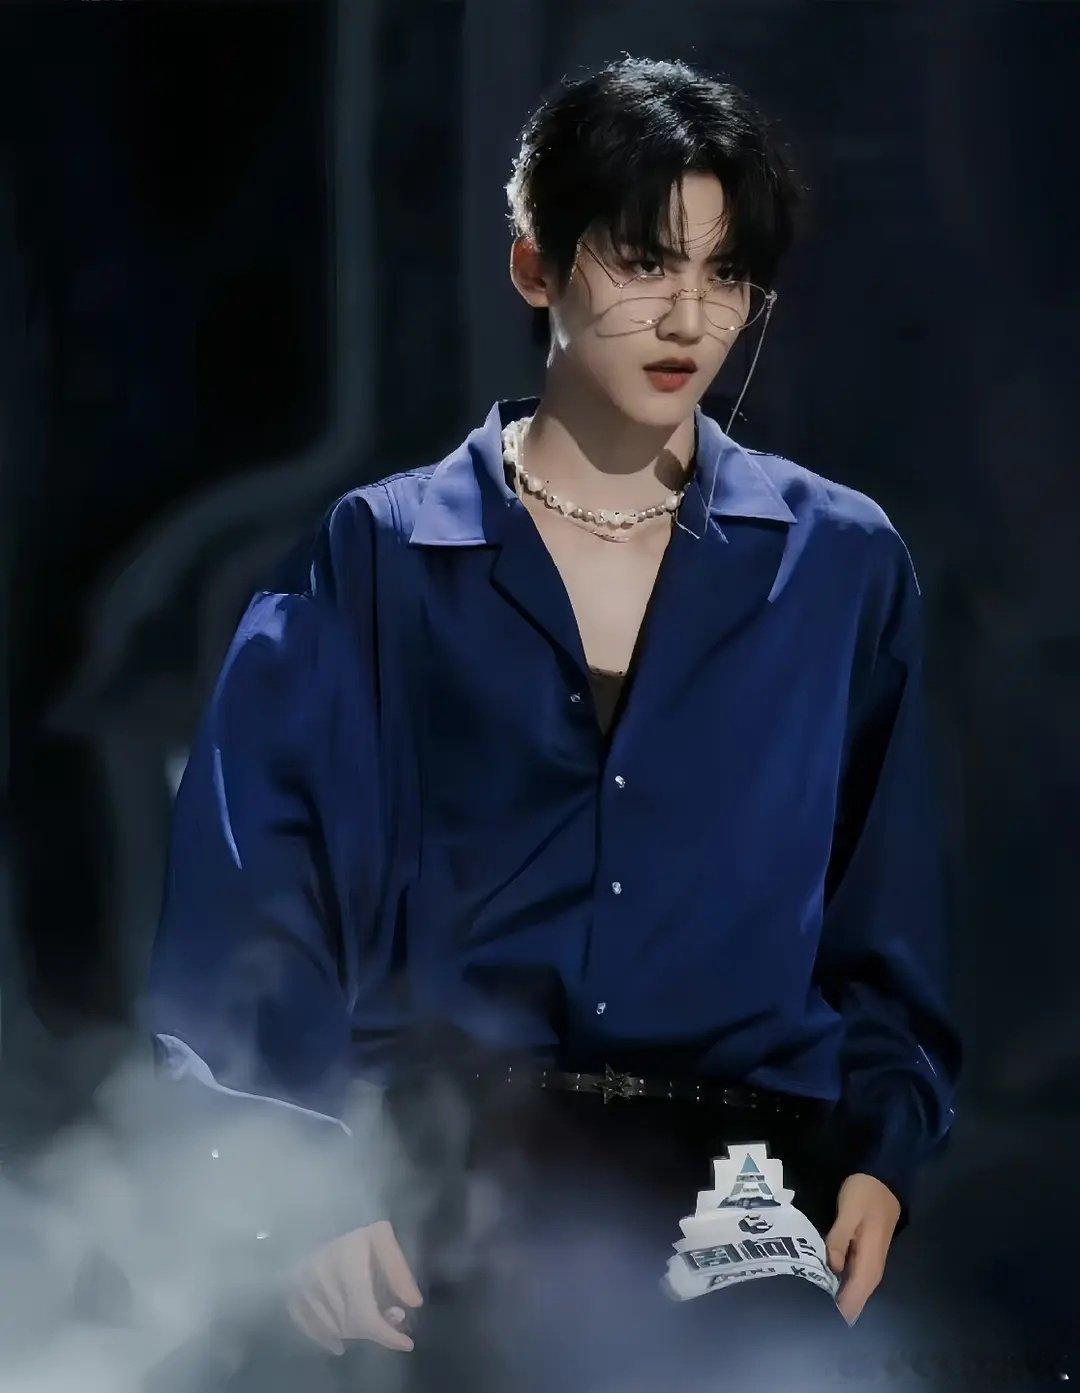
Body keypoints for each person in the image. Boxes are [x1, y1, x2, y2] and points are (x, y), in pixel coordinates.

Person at [141, 55, 962, 1393]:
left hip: (745, 1204)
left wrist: (880, 1154)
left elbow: (886, 912)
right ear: (536, 266)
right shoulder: (381, 557)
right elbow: (249, 901)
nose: (688, 315)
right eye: (643, 261)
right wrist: (295, 1182)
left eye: (727, 274)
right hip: (438, 1192)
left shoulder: (840, 565)